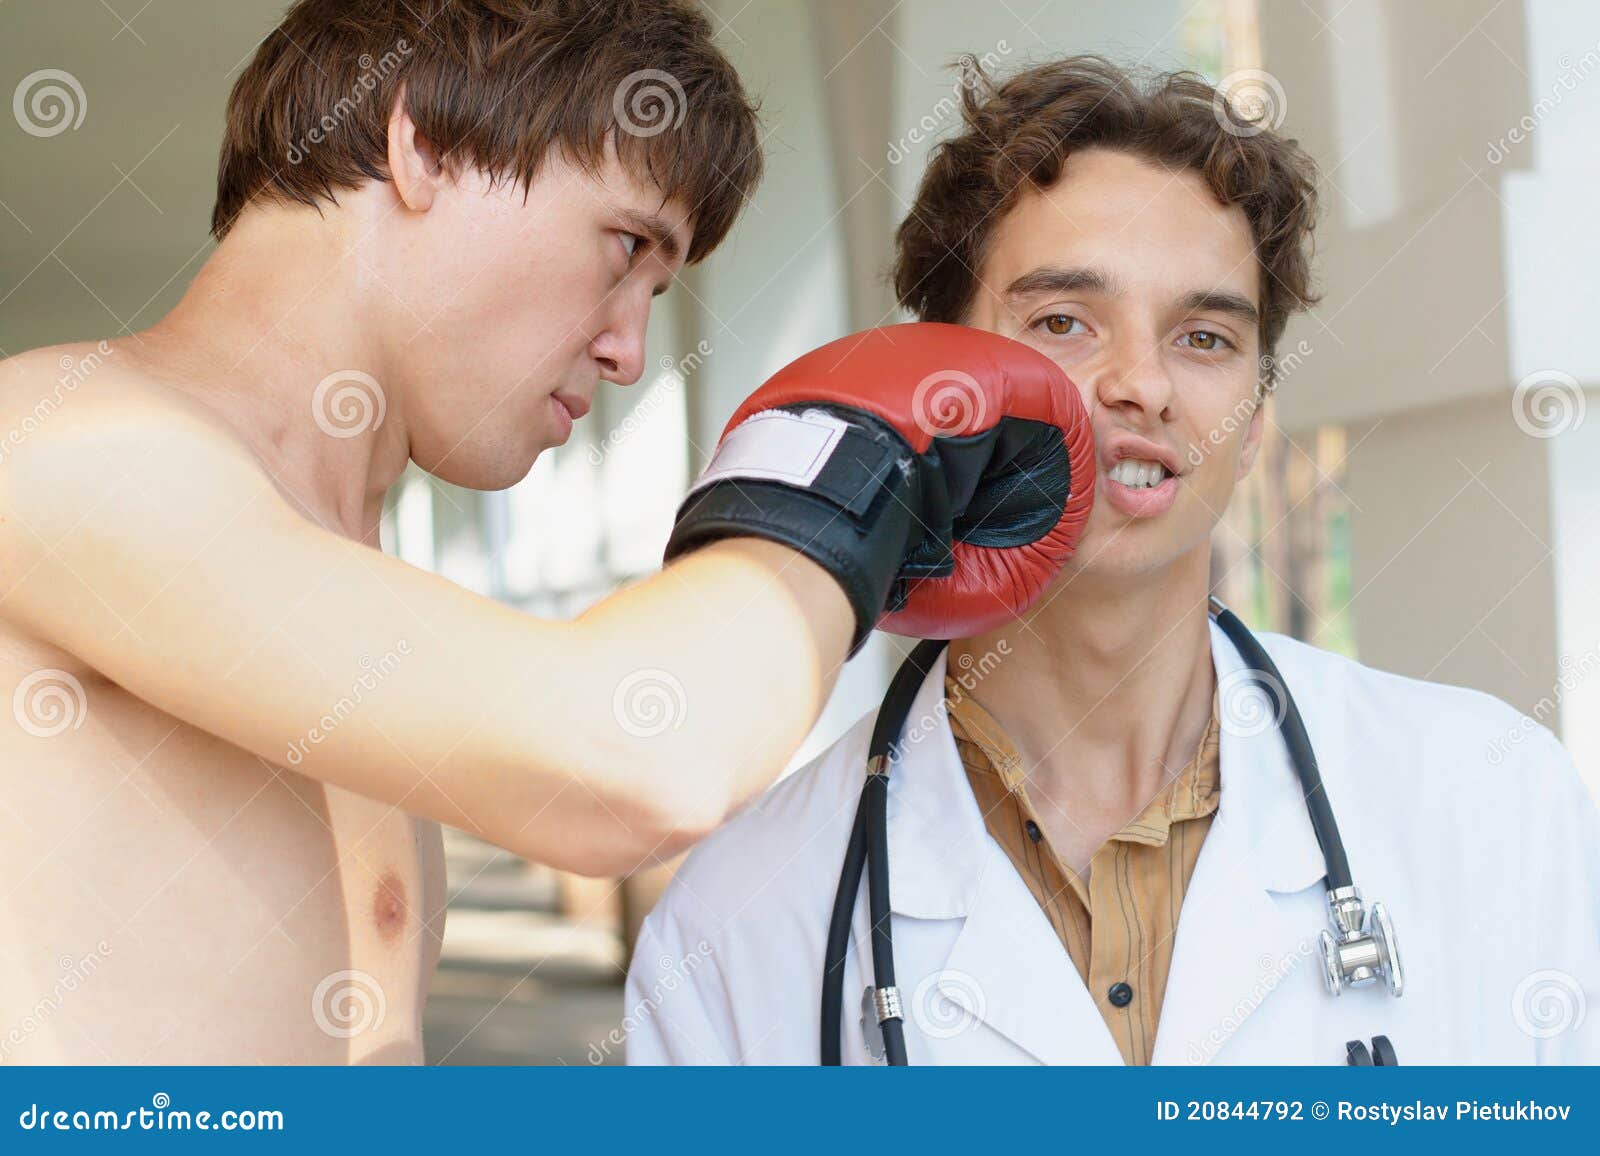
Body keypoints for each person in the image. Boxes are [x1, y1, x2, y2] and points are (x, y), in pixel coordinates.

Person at [0, 0, 1086, 1064]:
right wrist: (850, 466)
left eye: (661, 289)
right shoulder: (65, 443)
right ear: (421, 142)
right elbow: (637, 760)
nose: (627, 350)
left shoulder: (338, 584)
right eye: (623, 246)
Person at [625, 55, 1600, 1065]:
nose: (1142, 382)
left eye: (1205, 337)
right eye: (1062, 322)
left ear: (1257, 420)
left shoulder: (1496, 810)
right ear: (935, 379)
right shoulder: (735, 929)